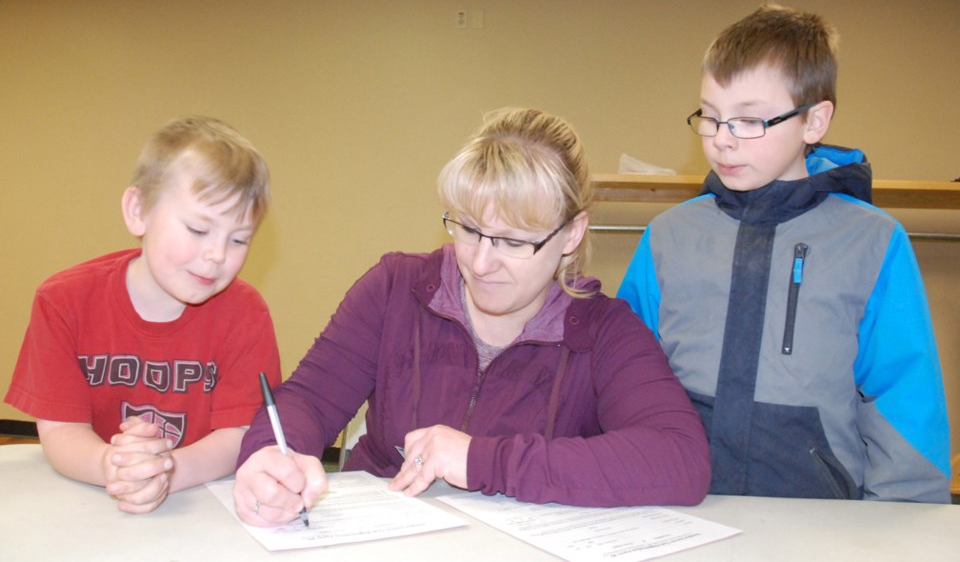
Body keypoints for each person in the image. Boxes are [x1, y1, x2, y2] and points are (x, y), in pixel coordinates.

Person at [233, 107, 711, 527]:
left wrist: (482, 459)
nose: (481, 263)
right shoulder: (395, 288)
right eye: (469, 229)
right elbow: (307, 401)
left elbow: (680, 458)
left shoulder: (603, 331)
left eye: (513, 241)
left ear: (571, 234)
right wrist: (272, 456)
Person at [617, 5, 951, 503]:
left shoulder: (872, 240)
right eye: (710, 117)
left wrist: (903, 530)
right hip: (682, 507)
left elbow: (903, 398)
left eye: (749, 120)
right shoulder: (668, 235)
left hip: (819, 517)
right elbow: (624, 371)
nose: (721, 140)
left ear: (814, 120)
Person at [5, 116, 282, 514]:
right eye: (199, 230)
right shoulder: (62, 300)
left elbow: (239, 434)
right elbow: (60, 429)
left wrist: (168, 471)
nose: (218, 255)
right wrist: (111, 466)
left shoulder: (246, 314)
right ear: (138, 211)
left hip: (197, 505)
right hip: (87, 501)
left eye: (238, 239)